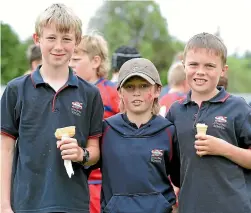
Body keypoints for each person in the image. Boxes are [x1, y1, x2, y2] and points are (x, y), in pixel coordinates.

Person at [1, 4, 104, 213]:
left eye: (66, 39)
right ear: (37, 39)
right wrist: (4, 204)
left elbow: (95, 152)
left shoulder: (90, 95)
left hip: (73, 204)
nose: (59, 46)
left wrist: (80, 153)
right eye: (51, 38)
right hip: (26, 204)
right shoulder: (15, 90)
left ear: (77, 41)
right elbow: (5, 150)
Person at [166, 32, 251, 213]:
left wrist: (223, 148)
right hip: (190, 207)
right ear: (184, 67)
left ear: (223, 70)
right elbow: (173, 166)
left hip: (234, 207)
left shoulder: (238, 108)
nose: (200, 71)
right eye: (193, 64)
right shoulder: (175, 112)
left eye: (210, 66)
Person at [100, 58, 180, 213]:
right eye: (129, 87)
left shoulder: (168, 131)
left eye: (144, 86)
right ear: (120, 92)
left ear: (157, 90)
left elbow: (178, 178)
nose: (136, 93)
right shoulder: (106, 129)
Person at [69, 33, 119, 213]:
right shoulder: (68, 91)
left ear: (95, 61)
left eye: (75, 59)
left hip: (104, 180)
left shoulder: (113, 92)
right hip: (73, 179)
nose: (70, 64)